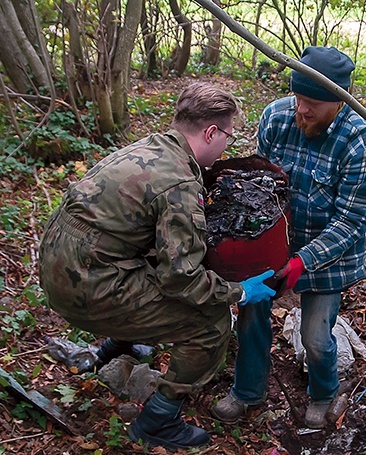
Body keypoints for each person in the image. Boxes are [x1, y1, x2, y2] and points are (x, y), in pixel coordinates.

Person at [38, 82, 276, 450]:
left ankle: (111, 353)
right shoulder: (178, 181)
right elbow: (182, 279)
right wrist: (241, 292)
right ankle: (158, 420)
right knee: (211, 323)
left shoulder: (150, 147)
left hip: (58, 264)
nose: (227, 143)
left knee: (149, 260)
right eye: (228, 135)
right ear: (211, 131)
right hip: (85, 286)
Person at [211, 46, 366, 428]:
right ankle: (247, 392)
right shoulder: (277, 118)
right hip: (273, 244)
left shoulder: (365, 143)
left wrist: (302, 262)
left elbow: (352, 222)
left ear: (339, 101)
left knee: (314, 336)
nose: (301, 110)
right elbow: (256, 189)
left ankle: (324, 394)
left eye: (312, 103)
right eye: (298, 98)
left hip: (331, 255)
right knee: (250, 312)